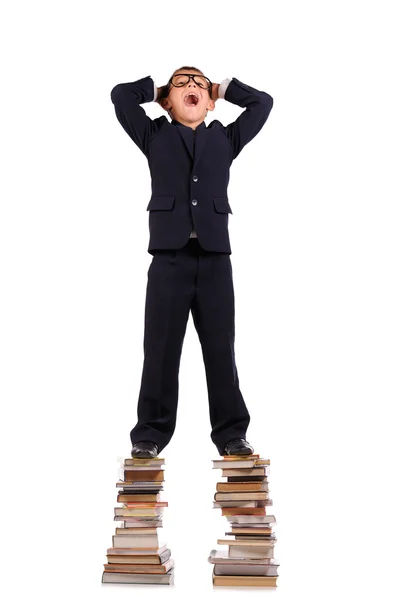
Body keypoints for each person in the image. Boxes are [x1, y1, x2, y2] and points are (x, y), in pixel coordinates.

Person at [110, 66, 273, 458]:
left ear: (210, 101)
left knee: (221, 348)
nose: (191, 88)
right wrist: (159, 88)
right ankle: (149, 433)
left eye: (199, 84)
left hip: (215, 257)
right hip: (168, 257)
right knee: (161, 348)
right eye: (182, 84)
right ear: (168, 101)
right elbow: (120, 95)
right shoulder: (154, 135)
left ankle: (232, 433)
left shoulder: (226, 139)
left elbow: (262, 103)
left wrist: (222, 87)